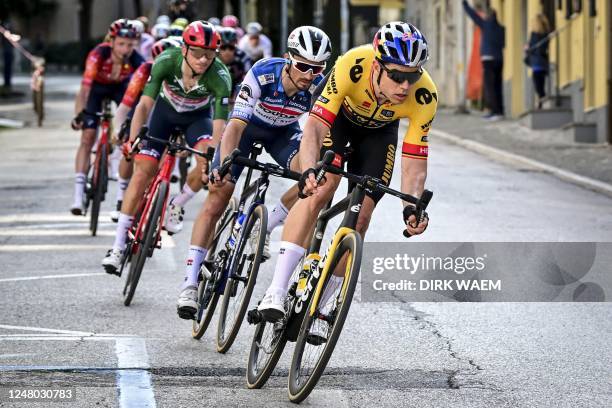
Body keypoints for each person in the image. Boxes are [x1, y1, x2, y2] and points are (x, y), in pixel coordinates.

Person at [257, 22, 435, 328]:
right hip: (338, 121)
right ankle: (275, 291)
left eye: (412, 76)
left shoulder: (424, 96)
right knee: (322, 186)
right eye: (397, 76)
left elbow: (414, 160)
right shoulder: (353, 64)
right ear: (377, 66)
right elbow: (315, 126)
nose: (405, 86)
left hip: (379, 134)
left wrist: (411, 206)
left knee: (362, 218)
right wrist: (310, 167)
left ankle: (320, 310)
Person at [175, 26, 332, 319]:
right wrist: (222, 164)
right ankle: (190, 283)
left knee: (312, 178)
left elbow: (316, 132)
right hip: (246, 130)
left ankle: (268, 222)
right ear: (289, 58)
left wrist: (313, 166)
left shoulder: (317, 87)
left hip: (283, 135)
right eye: (303, 66)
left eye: (317, 69)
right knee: (218, 197)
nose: (309, 75)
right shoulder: (263, 72)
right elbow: (235, 126)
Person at [101, 21, 232, 274]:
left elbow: (219, 122)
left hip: (197, 118)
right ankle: (118, 247)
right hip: (163, 114)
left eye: (210, 54)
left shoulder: (220, 75)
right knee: (143, 172)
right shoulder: (166, 61)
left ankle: (177, 203)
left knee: (207, 158)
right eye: (197, 53)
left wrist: (214, 155)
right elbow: (143, 105)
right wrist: (134, 138)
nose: (204, 60)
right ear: (184, 49)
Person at [69, 19, 144, 215]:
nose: (125, 49)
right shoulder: (98, 55)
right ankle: (78, 195)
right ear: (111, 42)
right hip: (97, 89)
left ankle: (121, 195)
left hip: (121, 90)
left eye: (130, 44)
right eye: (121, 43)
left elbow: (142, 96)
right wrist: (80, 114)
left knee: (128, 135)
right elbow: (85, 89)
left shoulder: (136, 60)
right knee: (87, 137)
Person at [109, 38, 182, 222]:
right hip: (144, 108)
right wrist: (118, 129)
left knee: (168, 148)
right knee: (130, 145)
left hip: (167, 114)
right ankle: (121, 196)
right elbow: (125, 106)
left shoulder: (185, 75)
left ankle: (159, 194)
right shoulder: (144, 70)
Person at [462, 0, 505, 121]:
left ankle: (494, 111)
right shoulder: (501, 28)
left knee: (489, 87)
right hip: (499, 58)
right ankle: (500, 111)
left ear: (488, 16)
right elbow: (503, 44)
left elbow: (473, 15)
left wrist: (465, 4)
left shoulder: (485, 25)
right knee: (498, 85)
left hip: (488, 59)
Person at [217, 27, 252, 102]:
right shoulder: (212, 55)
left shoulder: (243, 56)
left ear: (235, 43)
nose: (227, 51)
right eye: (223, 47)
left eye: (231, 48)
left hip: (237, 86)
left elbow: (249, 76)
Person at [525, 14, 550, 109]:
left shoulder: (534, 34)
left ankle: (541, 102)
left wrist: (527, 48)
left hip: (536, 63)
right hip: (543, 63)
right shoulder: (545, 34)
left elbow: (531, 48)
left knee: (538, 86)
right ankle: (540, 102)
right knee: (541, 84)